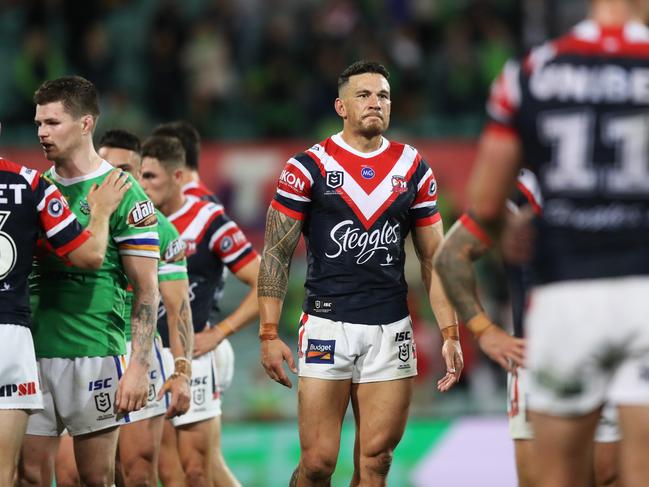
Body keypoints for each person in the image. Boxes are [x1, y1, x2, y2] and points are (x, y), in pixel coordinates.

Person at [451, 1, 649, 485]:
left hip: (565, 297)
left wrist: (507, 234)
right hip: (643, 291)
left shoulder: (530, 74)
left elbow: (486, 202)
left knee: (556, 477)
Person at [257, 60, 463, 486]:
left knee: (376, 462)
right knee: (317, 464)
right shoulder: (306, 168)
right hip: (326, 324)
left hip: (391, 327)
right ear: (341, 106)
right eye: (364, 95)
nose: (375, 102)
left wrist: (450, 333)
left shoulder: (413, 168)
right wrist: (268, 332)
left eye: (383, 95)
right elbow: (276, 254)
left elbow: (434, 260)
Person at [435, 168, 620, 486]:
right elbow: (451, 256)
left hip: (617, 353)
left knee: (612, 475)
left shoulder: (630, 177)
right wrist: (485, 331)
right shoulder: (521, 187)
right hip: (538, 356)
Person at [18, 76, 160, 487]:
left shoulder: (123, 192)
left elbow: (146, 289)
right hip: (34, 352)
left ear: (85, 124)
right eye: (38, 123)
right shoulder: (34, 189)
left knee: (97, 478)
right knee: (28, 476)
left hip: (95, 351)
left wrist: (138, 366)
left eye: (53, 122)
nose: (42, 132)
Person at [54, 129, 195, 487]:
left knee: (136, 472)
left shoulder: (162, 231)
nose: (112, 177)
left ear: (135, 175)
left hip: (137, 352)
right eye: (106, 165)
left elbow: (178, 309)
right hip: (88, 348)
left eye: (123, 170)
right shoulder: (76, 214)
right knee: (73, 475)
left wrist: (182, 371)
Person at [0, 146, 129, 485]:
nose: (42, 131)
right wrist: (99, 212)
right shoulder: (31, 185)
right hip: (10, 337)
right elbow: (89, 255)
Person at [140, 135, 259, 487]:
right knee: (168, 469)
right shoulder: (135, 220)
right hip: (149, 354)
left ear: (178, 175)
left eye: (151, 177)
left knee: (197, 469)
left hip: (193, 349)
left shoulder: (207, 218)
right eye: (140, 177)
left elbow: (266, 282)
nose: (143, 186)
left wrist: (220, 332)